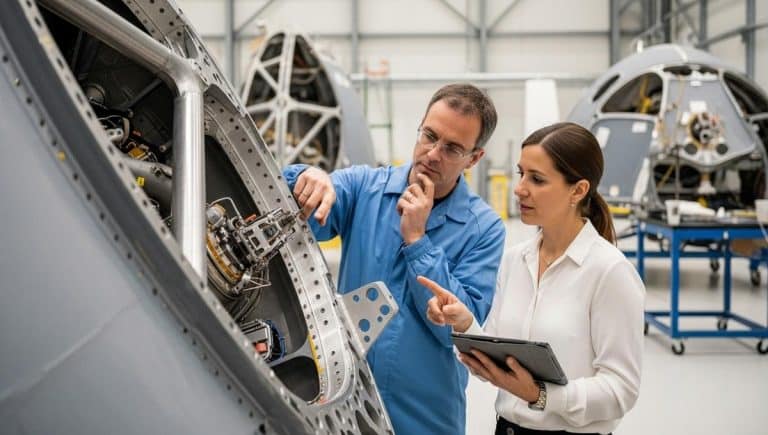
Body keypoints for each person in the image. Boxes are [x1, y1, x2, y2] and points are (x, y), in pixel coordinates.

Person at [282, 83, 505, 435]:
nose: (433, 154)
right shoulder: (364, 188)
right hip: (348, 405)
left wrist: (417, 240)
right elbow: (298, 208)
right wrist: (307, 177)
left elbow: (459, 331)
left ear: (474, 158)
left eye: (452, 148)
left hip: (427, 417)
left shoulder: (484, 229)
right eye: (429, 136)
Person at [420, 122, 645, 435]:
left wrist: (540, 395)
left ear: (578, 190)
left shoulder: (610, 272)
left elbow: (621, 390)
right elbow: (499, 360)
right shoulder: (516, 260)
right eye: (521, 173)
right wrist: (465, 323)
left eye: (537, 179)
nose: (520, 188)